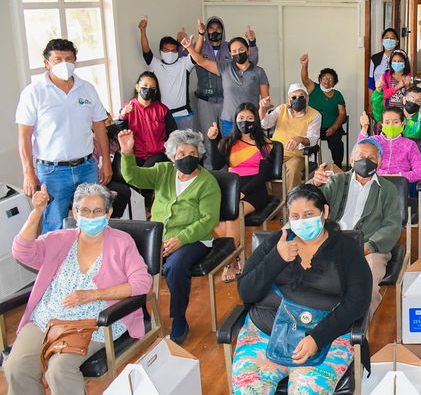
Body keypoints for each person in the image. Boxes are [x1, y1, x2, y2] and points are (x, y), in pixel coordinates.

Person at [233, 185, 371, 395]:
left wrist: (317, 338)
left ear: (325, 212)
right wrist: (277, 258)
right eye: (295, 216)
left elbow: (357, 304)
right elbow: (246, 291)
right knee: (248, 385)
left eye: (308, 214)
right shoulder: (278, 242)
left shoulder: (345, 248)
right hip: (265, 332)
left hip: (325, 335)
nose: (301, 221)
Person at [5, 183, 151, 395]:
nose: (90, 217)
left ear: (108, 214)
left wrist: (92, 294)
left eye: (97, 211)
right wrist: (36, 212)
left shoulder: (121, 242)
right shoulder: (59, 239)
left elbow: (142, 283)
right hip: (46, 318)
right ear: (74, 211)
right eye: (84, 210)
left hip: (92, 322)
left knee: (59, 369)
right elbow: (22, 251)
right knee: (15, 367)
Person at [118, 129, 220, 344]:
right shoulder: (163, 171)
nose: (187, 158)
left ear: (199, 155)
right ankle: (140, 314)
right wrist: (127, 154)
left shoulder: (207, 182)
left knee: (175, 266)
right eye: (181, 154)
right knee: (128, 262)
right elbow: (133, 176)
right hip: (159, 237)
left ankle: (179, 317)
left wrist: (180, 239)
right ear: (172, 157)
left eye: (192, 153)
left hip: (194, 238)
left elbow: (208, 220)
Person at [16, 38, 112, 232]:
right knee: (53, 224)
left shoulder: (87, 89)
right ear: (47, 63)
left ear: (75, 60)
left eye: (68, 59)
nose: (64, 64)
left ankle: (91, 252)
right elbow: (24, 136)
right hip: (52, 172)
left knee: (93, 219)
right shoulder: (33, 92)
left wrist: (106, 162)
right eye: (58, 59)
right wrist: (28, 172)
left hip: (87, 166)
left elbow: (99, 126)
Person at [311, 138, 401, 316]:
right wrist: (314, 185)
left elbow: (392, 225)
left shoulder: (388, 189)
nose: (365, 161)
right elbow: (308, 203)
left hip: (369, 248)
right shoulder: (336, 181)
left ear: (379, 163)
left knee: (365, 288)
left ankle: (358, 328)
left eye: (371, 158)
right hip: (331, 241)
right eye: (361, 156)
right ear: (352, 160)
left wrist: (369, 246)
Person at [210, 103, 277, 280]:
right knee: (213, 217)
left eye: (249, 118)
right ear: (235, 120)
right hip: (232, 187)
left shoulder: (265, 144)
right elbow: (217, 165)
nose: (245, 122)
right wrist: (213, 140)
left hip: (254, 189)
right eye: (241, 118)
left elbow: (263, 175)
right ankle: (236, 256)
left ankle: (231, 262)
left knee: (233, 215)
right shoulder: (228, 142)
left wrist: (243, 192)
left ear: (256, 121)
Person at [192, 17, 260, 161]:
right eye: (211, 28)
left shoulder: (230, 48)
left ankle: (228, 167)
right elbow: (191, 58)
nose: (215, 31)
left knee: (229, 137)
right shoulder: (200, 46)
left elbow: (251, 62)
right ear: (206, 30)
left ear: (223, 31)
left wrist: (252, 43)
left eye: (218, 28)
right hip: (205, 101)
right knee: (208, 136)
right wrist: (190, 42)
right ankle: (210, 168)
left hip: (227, 102)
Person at [182, 31, 270, 138]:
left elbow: (265, 100)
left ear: (248, 51)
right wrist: (189, 47)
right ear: (230, 54)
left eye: (241, 50)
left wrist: (260, 116)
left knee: (251, 148)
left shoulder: (259, 72)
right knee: (230, 148)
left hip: (251, 121)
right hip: (229, 121)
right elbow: (201, 61)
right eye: (234, 51)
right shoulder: (225, 67)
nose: (238, 53)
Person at [260, 84, 322, 191]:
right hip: (274, 153)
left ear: (307, 98)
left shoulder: (315, 115)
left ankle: (292, 198)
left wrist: (300, 139)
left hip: (296, 156)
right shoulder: (281, 109)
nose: (297, 99)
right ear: (289, 99)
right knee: (256, 164)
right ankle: (265, 197)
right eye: (293, 97)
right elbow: (265, 124)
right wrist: (262, 109)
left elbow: (312, 139)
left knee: (293, 169)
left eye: (301, 97)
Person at [138, 16, 195, 130]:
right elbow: (146, 50)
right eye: (166, 50)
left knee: (187, 141)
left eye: (173, 50)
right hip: (162, 116)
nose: (170, 53)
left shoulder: (184, 63)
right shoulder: (155, 65)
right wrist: (143, 31)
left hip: (183, 115)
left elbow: (196, 54)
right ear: (160, 52)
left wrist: (201, 34)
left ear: (177, 51)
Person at [116, 71, 177, 168]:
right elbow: (121, 132)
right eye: (145, 86)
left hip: (158, 154)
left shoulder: (162, 109)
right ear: (137, 87)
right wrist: (123, 115)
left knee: (146, 170)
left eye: (152, 88)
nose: (148, 89)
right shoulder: (127, 108)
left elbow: (173, 133)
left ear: (155, 91)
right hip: (136, 155)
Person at [358, 108, 421, 189]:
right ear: (382, 124)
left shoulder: (410, 145)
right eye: (387, 122)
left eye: (396, 122)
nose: (391, 126)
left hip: (399, 186)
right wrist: (364, 128)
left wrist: (399, 176)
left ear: (402, 123)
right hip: (376, 184)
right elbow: (360, 153)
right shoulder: (374, 141)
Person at [300, 54, 347, 166]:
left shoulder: (337, 95)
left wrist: (333, 128)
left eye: (331, 79)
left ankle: (337, 166)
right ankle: (307, 166)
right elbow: (305, 78)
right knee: (304, 139)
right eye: (325, 78)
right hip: (313, 127)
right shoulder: (313, 88)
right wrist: (304, 65)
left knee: (336, 142)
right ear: (320, 79)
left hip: (332, 127)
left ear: (334, 83)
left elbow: (342, 114)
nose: (327, 81)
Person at [371, 49, 414, 122]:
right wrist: (397, 87)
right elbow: (383, 95)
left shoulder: (409, 77)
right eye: (394, 61)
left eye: (400, 61)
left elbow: (413, 98)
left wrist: (408, 86)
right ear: (390, 62)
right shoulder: (385, 76)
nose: (397, 63)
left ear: (405, 62)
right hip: (388, 113)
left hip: (404, 115)